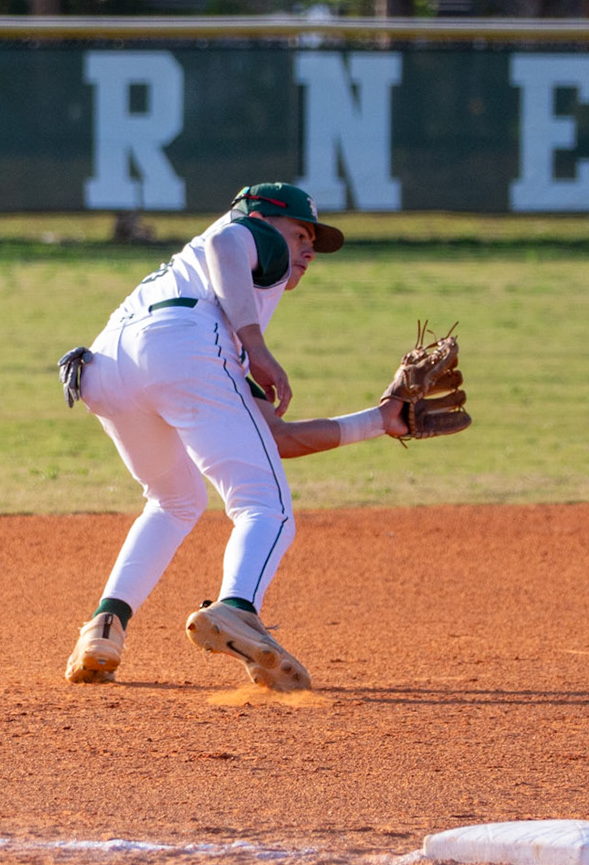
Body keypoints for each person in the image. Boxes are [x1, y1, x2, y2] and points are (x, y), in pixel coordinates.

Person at [57, 183, 407, 692]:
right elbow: (227, 241)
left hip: (107, 366)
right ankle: (238, 607)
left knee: (175, 501)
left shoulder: (213, 302)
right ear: (263, 220)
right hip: (180, 343)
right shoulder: (248, 241)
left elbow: (275, 437)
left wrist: (379, 420)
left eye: (312, 242)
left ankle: (103, 628)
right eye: (300, 234)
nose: (308, 250)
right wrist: (256, 345)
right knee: (266, 505)